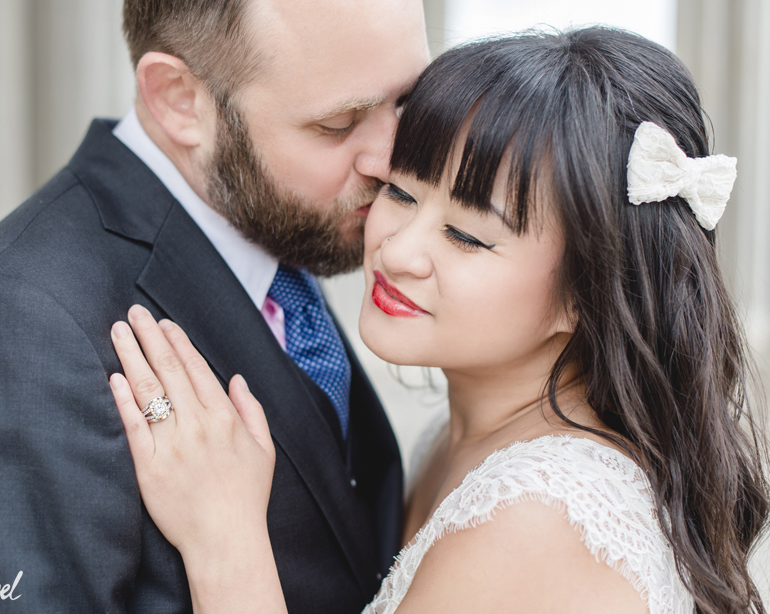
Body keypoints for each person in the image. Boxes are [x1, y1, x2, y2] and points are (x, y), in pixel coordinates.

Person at [109, 28, 770, 613]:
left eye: (466, 236)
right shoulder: (454, 443)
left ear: (589, 292)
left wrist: (225, 539)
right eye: (399, 191)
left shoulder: (539, 519)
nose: (395, 250)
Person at [0, 1, 429, 611]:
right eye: (338, 125)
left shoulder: (279, 232)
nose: (393, 161)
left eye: (407, 103)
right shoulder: (6, 330)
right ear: (178, 98)